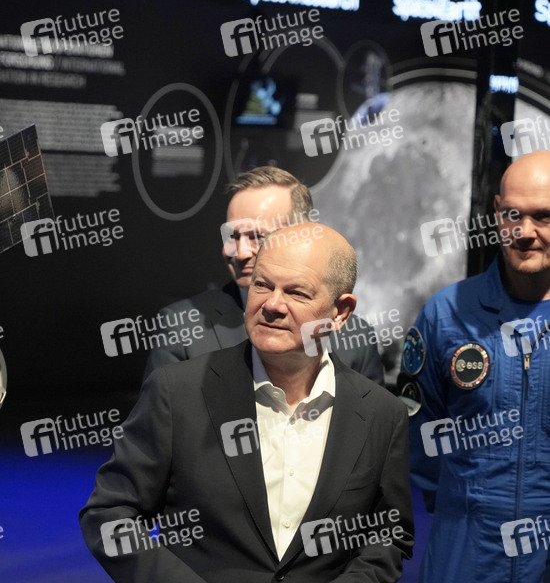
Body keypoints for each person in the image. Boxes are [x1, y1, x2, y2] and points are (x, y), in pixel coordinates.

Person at [81, 223, 413, 582]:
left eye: (296, 292)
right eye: (262, 285)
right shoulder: (177, 392)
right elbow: (109, 514)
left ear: (340, 311)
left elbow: (388, 536)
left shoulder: (382, 414)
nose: (272, 305)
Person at [403, 150, 550, 582]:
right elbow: (418, 436)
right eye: (513, 215)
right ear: (497, 212)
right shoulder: (446, 314)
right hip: (464, 551)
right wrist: (467, 504)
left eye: (543, 217)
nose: (525, 232)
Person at [143, 166, 385, 386]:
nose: (240, 253)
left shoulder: (356, 338)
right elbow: (162, 417)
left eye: (258, 236)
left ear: (300, 235)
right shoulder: (183, 328)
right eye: (232, 236)